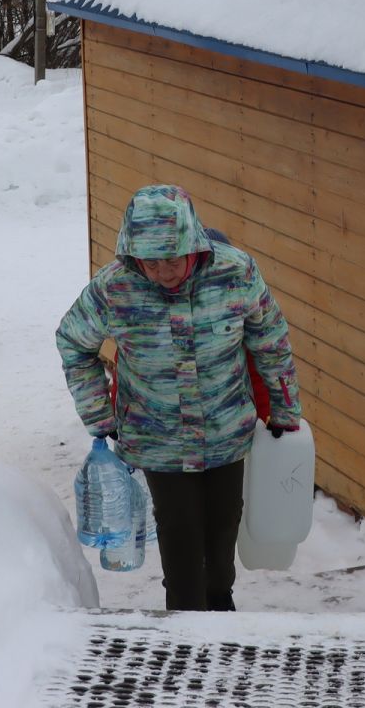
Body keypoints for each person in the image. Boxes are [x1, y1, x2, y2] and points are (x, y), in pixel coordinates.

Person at [56, 184, 301, 612]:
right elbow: (74, 344)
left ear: (193, 245)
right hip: (158, 440)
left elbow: (271, 339)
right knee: (182, 543)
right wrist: (99, 413)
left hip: (226, 436)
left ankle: (220, 609)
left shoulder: (236, 273)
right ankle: (186, 633)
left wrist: (283, 406)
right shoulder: (114, 288)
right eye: (151, 262)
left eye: (171, 259)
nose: (163, 272)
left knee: (221, 542)